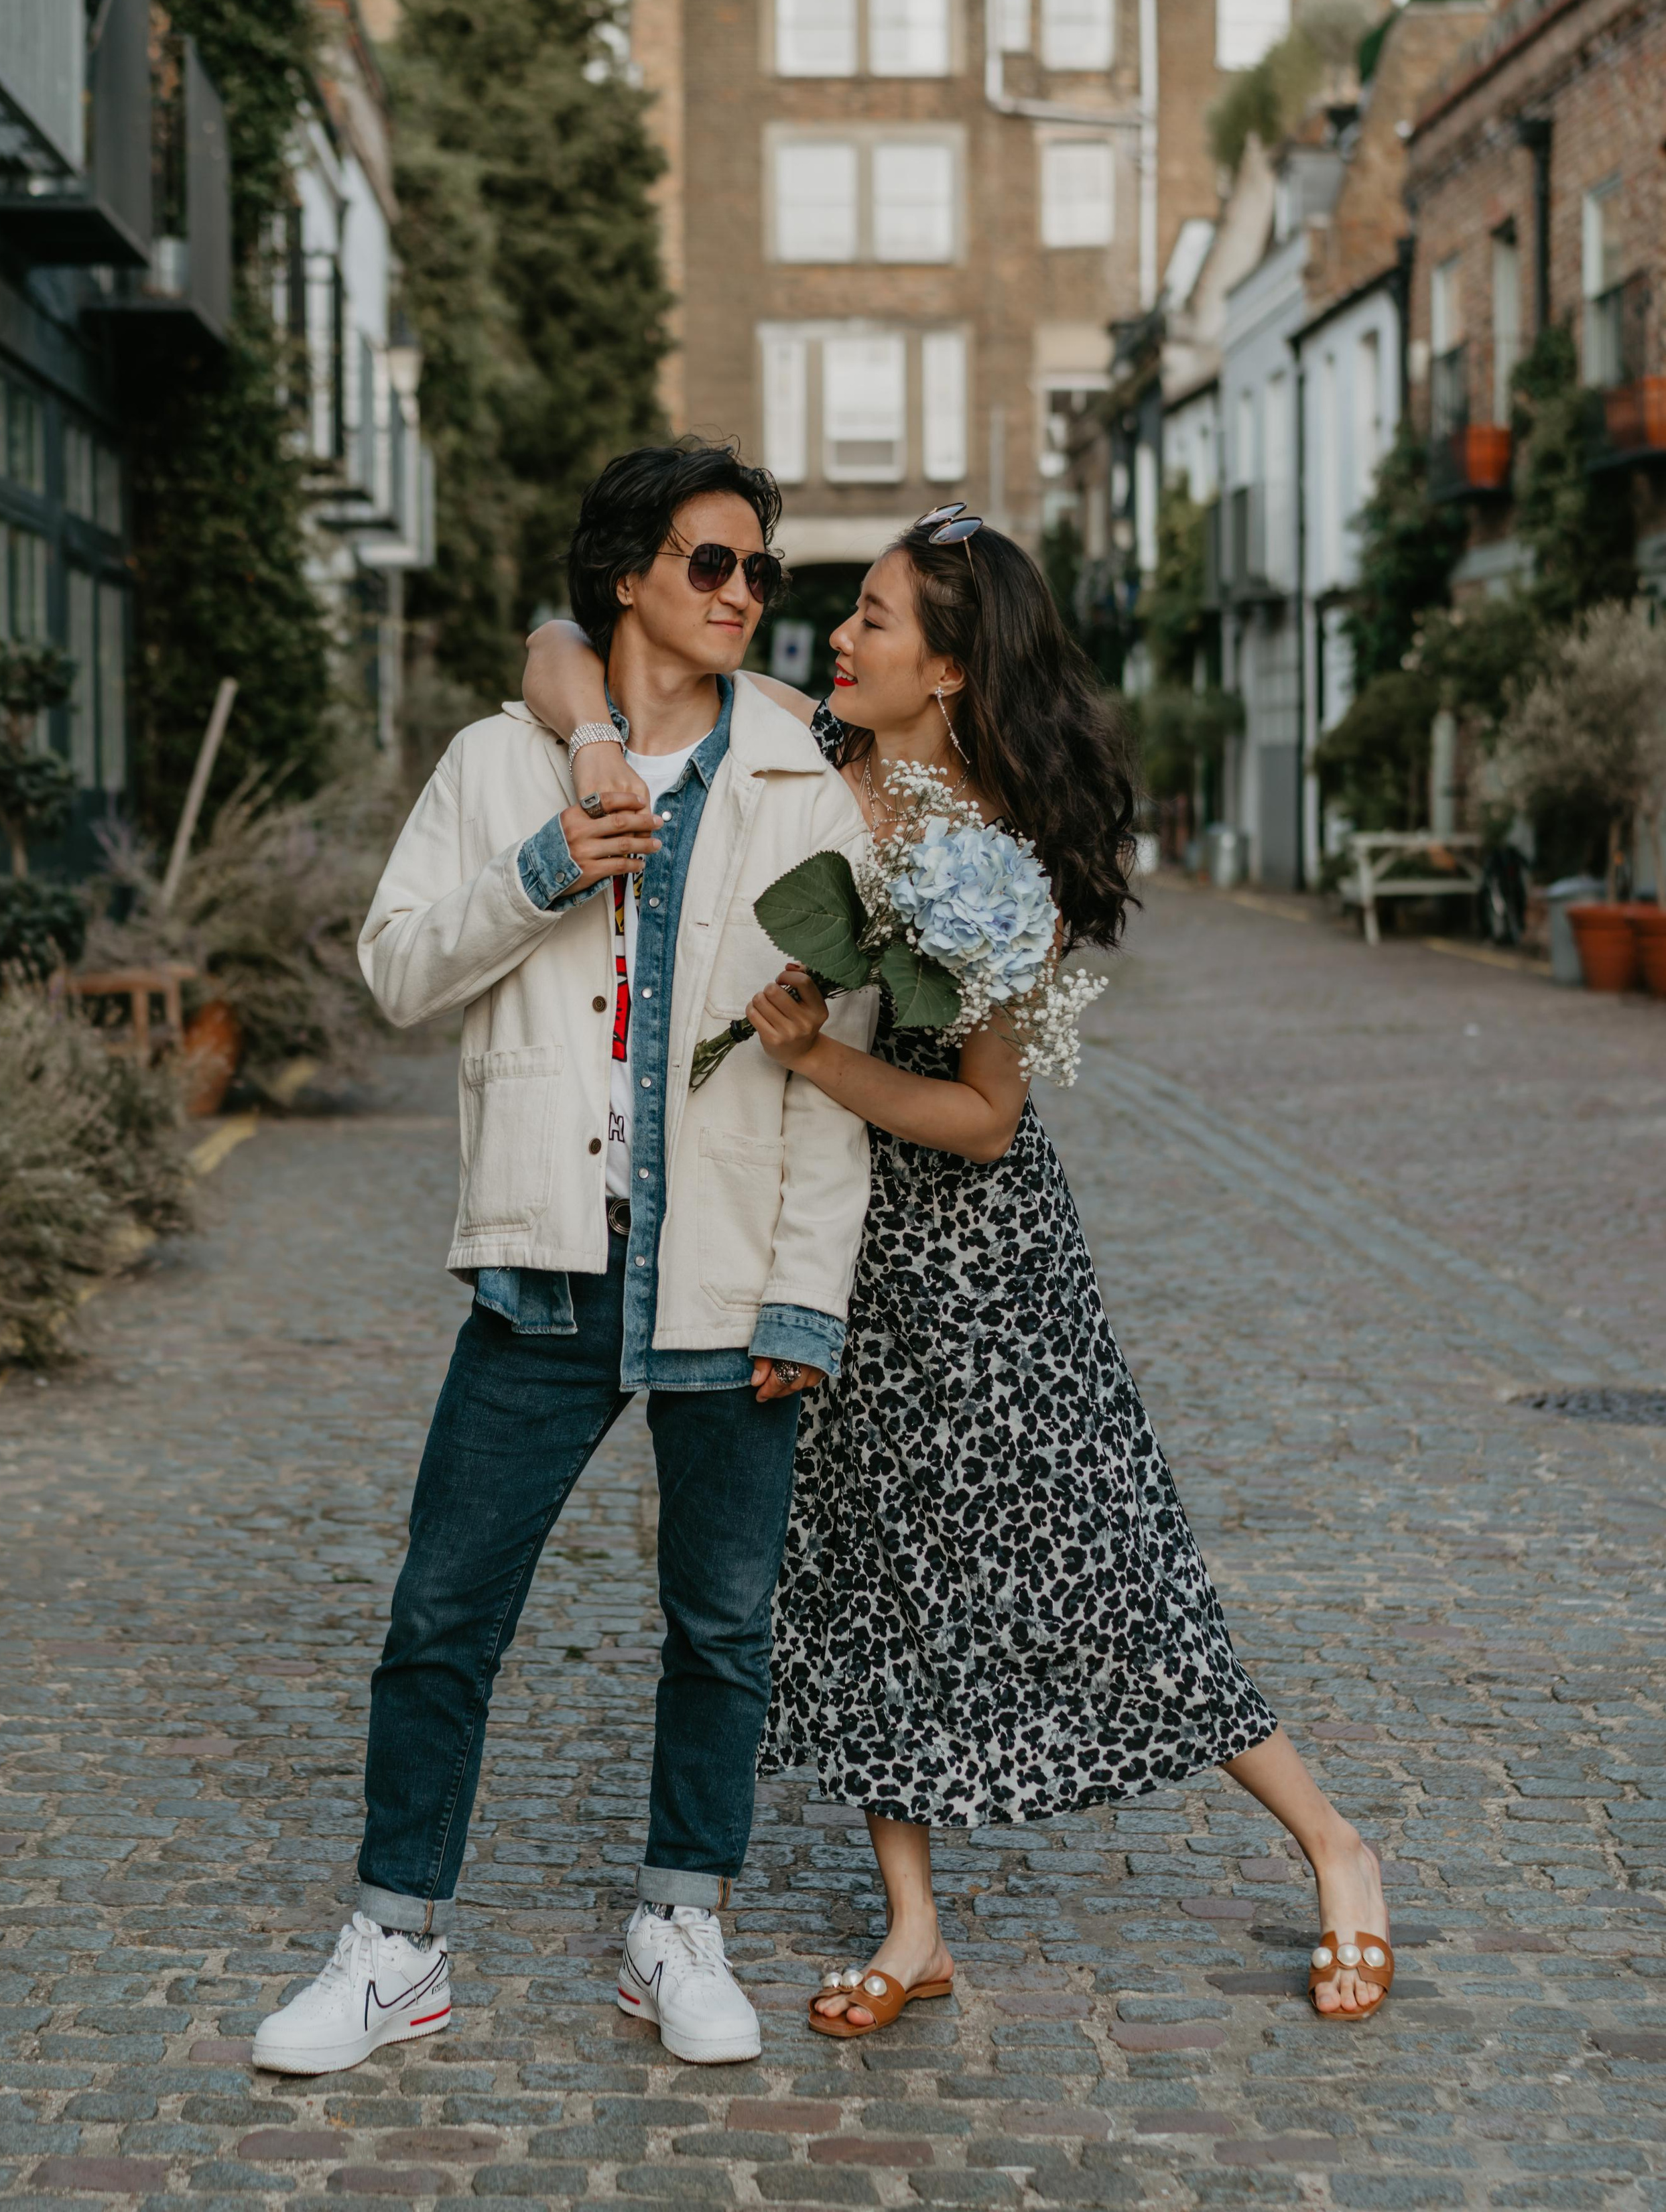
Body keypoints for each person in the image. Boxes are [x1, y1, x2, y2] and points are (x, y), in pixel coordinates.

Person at [524, 507, 1395, 2030]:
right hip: (836, 1245)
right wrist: (596, 736)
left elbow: (986, 1117)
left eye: (868, 619)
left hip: (984, 1268)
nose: (834, 639)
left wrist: (806, 1063)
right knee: (862, 1573)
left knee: (1105, 1564)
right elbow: (552, 649)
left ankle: (1334, 1844)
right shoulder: (821, 765)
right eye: (846, 615)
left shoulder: (994, 862)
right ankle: (912, 1920)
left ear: (946, 667)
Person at [251, 443, 879, 2077]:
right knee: (442, 1609)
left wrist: (810, 1288)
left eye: (761, 572)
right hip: (548, 1262)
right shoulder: (497, 760)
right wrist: (543, 871)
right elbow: (393, 968)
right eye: (709, 563)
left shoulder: (807, 769)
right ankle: (394, 1941)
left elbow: (835, 1061)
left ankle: (681, 1919)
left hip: (728, 1266)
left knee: (720, 1625)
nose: (743, 594)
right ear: (626, 575)